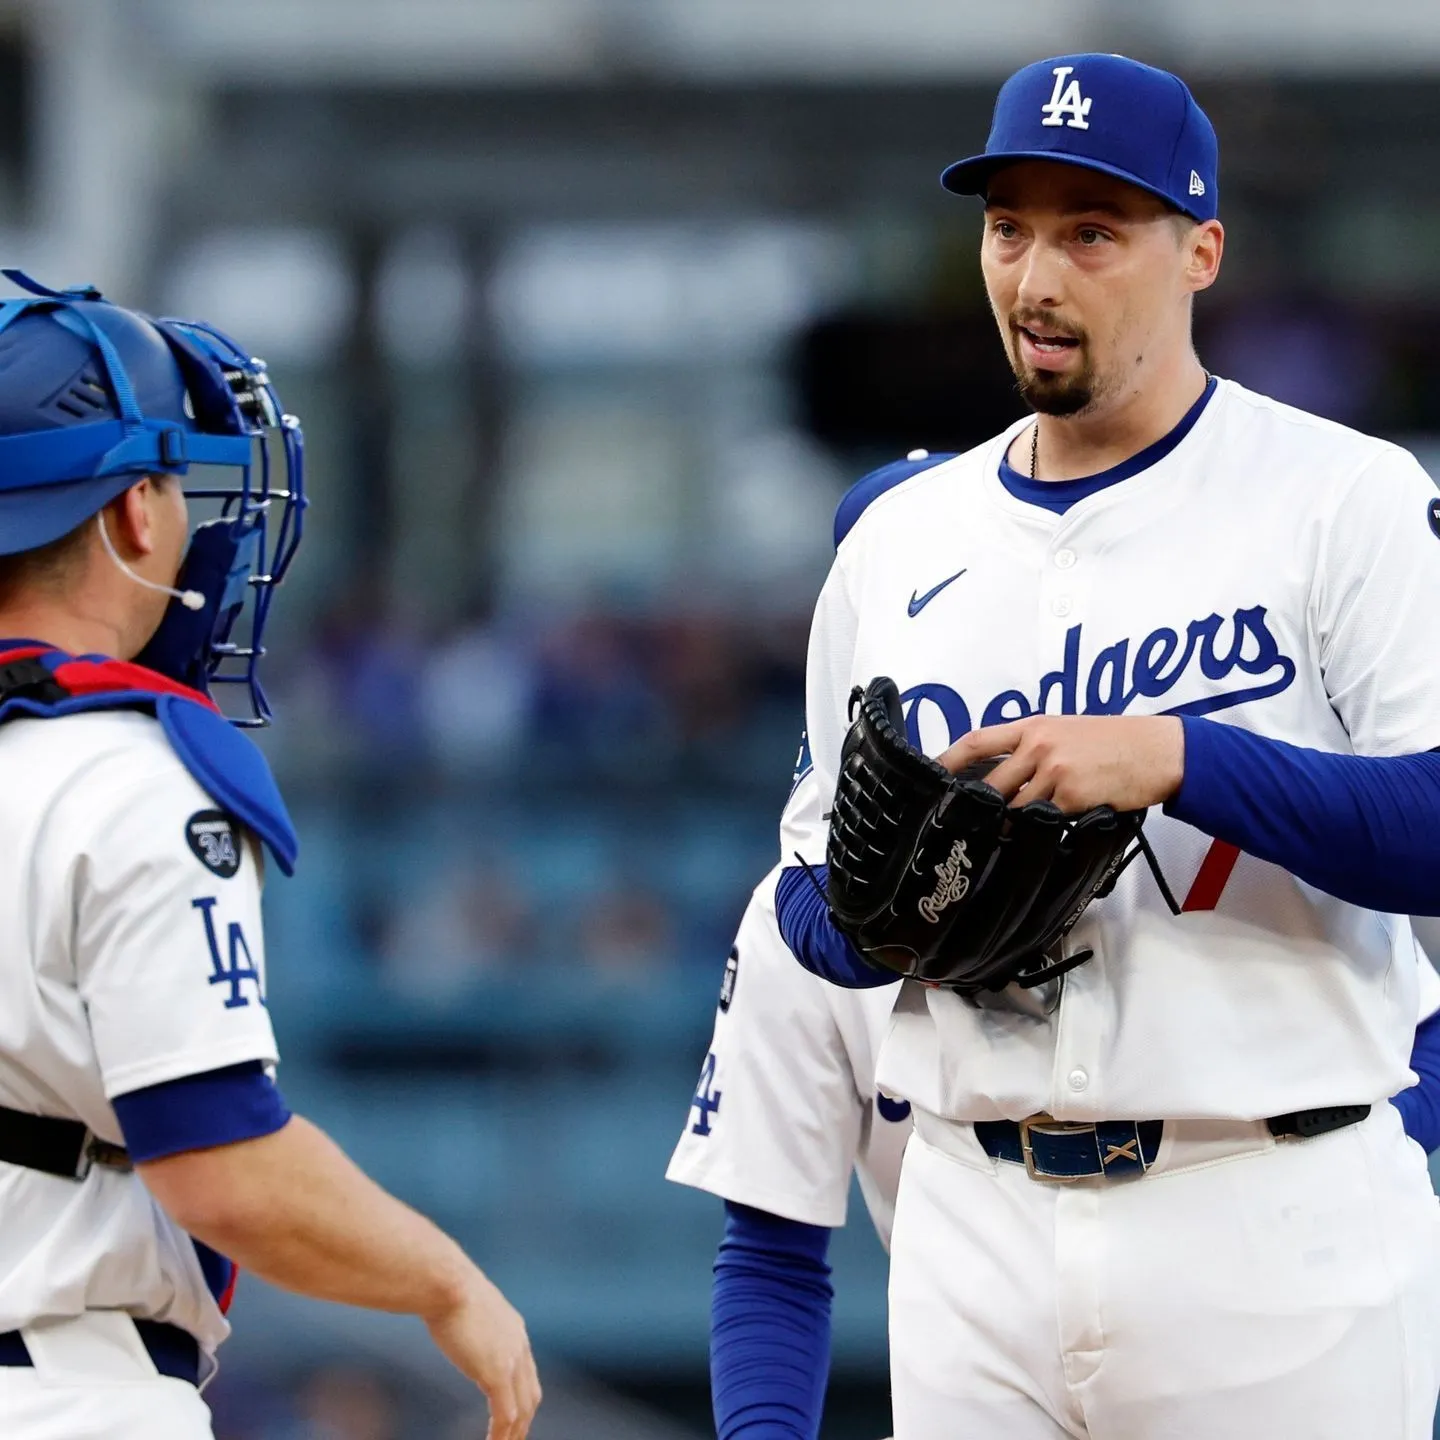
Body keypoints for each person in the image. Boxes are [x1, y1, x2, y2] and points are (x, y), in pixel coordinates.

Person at [772, 54, 1440, 1440]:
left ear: (1198, 250)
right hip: (974, 1216)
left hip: (1270, 1213)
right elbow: (802, 900)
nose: (1036, 273)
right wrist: (900, 907)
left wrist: (1179, 760)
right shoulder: (896, 542)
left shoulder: (1346, 499)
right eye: (1009, 227)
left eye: (1092, 229)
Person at [0, 274, 540, 1440]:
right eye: (174, 482)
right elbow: (220, 1166)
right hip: (59, 1392)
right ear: (132, 512)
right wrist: (445, 1279)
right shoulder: (122, 777)